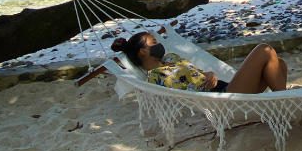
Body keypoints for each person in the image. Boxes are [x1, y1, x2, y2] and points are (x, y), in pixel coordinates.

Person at [111, 31, 287, 93]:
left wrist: (208, 75)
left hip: (228, 87)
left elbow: (199, 75)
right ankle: (283, 101)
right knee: (264, 50)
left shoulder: (171, 58)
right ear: (143, 51)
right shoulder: (155, 78)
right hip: (224, 99)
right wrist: (206, 86)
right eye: (154, 43)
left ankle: (280, 100)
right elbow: (187, 95)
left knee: (278, 64)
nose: (159, 45)